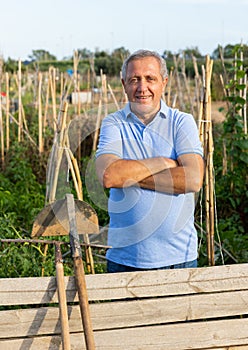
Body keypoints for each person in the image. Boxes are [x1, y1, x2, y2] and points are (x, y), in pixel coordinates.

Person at [95, 49, 204, 273]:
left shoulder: (181, 122)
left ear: (164, 82)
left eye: (150, 79)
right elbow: (109, 176)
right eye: (134, 80)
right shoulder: (113, 123)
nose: (142, 88)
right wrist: (164, 162)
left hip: (178, 260)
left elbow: (192, 180)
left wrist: (129, 175)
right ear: (124, 83)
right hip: (124, 260)